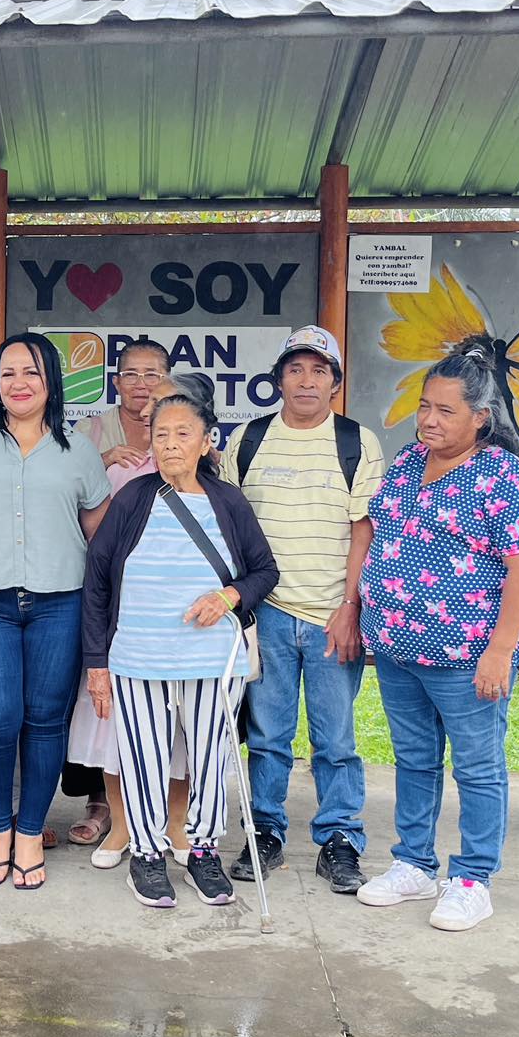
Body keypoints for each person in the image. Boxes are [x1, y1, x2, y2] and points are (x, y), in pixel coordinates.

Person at [353, 351, 519, 932]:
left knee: (478, 768)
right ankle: (414, 863)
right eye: (424, 407)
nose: (429, 420)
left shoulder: (506, 477)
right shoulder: (408, 461)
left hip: (467, 656)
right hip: (397, 649)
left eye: (445, 410)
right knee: (414, 760)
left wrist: (501, 649)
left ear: (480, 417)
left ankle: (472, 879)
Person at [82, 390, 279, 909]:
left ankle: (202, 850)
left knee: (210, 759)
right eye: (161, 434)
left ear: (206, 441)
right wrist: (97, 663)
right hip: (137, 657)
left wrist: (228, 596)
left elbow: (264, 570)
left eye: (182, 433)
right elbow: (97, 578)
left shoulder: (228, 501)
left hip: (212, 661)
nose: (170, 444)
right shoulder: (133, 498)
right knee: (142, 756)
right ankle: (146, 855)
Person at [0, 334, 110, 891]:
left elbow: (99, 535)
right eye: (9, 372)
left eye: (31, 372)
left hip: (59, 604)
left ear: (51, 381)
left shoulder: (78, 450)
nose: (19, 383)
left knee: (44, 721)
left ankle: (31, 832)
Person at [220, 325, 384, 892]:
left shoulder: (357, 442)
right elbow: (229, 518)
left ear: (335, 382)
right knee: (267, 734)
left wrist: (350, 607)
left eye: (319, 371)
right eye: (295, 369)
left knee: (335, 740)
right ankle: (264, 832)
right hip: (266, 613)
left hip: (332, 615)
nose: (306, 381)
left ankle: (339, 840)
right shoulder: (249, 439)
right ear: (279, 379)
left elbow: (364, 529)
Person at [65, 336, 171, 851]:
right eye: (132, 373)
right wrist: (104, 458)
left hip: (167, 591)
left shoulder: (183, 425)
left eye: (153, 374)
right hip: (106, 585)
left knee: (166, 704)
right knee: (103, 700)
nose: (142, 384)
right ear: (116, 380)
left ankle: (165, 813)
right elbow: (65, 493)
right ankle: (105, 807)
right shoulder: (90, 432)